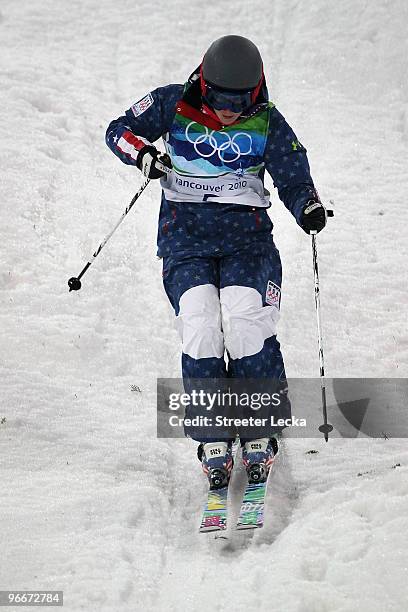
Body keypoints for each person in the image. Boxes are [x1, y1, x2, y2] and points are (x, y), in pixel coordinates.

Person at [106, 35, 326, 489]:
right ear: (204, 85)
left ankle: (260, 426)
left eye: (240, 101)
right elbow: (118, 131)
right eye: (220, 100)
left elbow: (293, 170)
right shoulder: (172, 103)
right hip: (185, 243)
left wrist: (307, 205)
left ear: (256, 90)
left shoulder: (266, 120)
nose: (229, 111)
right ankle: (213, 436)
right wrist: (144, 154)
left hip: (248, 243)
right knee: (202, 323)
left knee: (245, 322)